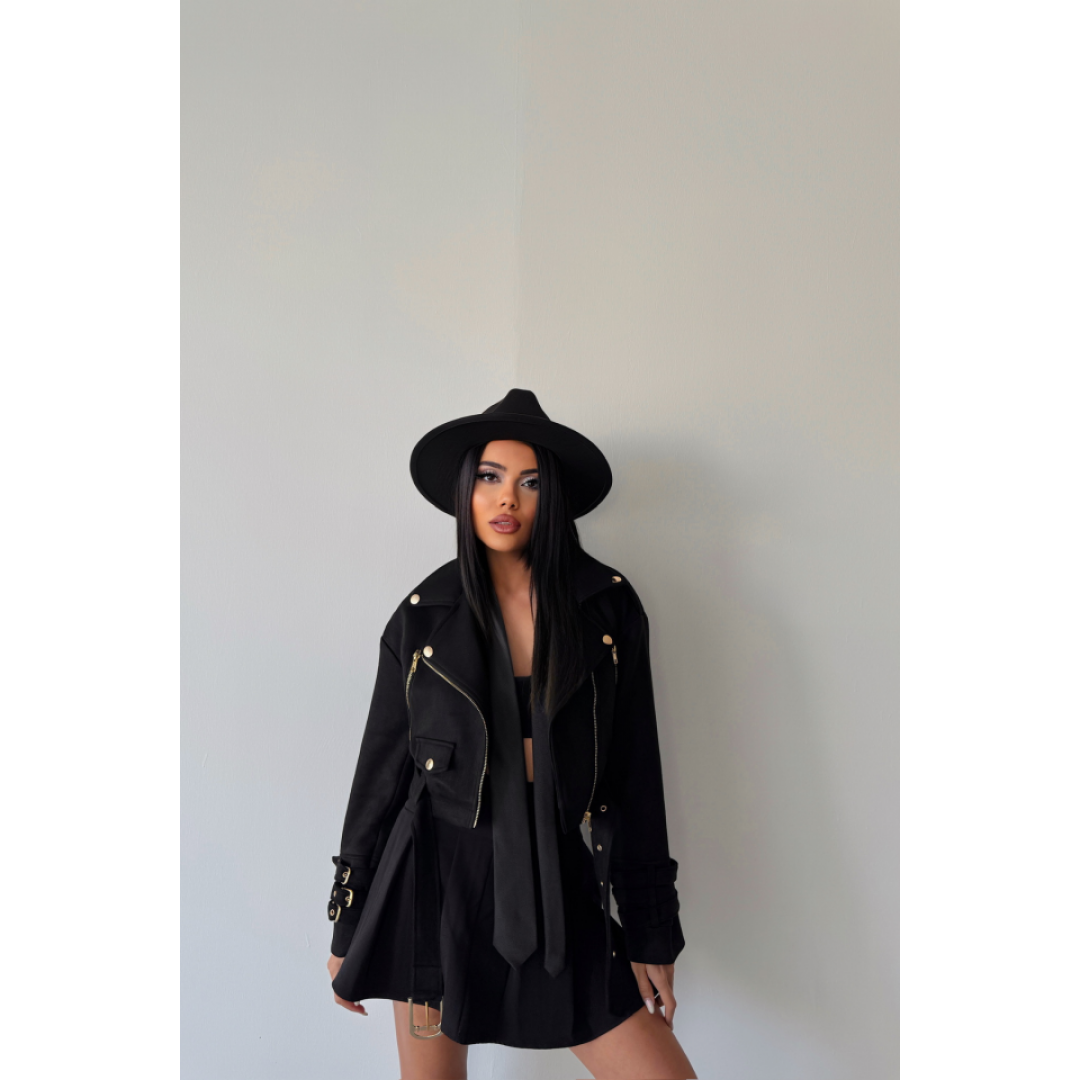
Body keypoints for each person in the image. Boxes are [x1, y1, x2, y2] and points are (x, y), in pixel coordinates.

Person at [325, 389, 696, 1079]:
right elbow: (380, 777)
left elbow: (634, 777)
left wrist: (652, 933)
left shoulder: (606, 610)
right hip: (433, 884)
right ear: (465, 491)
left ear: (553, 499)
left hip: (559, 878)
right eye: (490, 478)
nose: (507, 499)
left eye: (530, 483)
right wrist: (350, 923)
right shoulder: (422, 619)